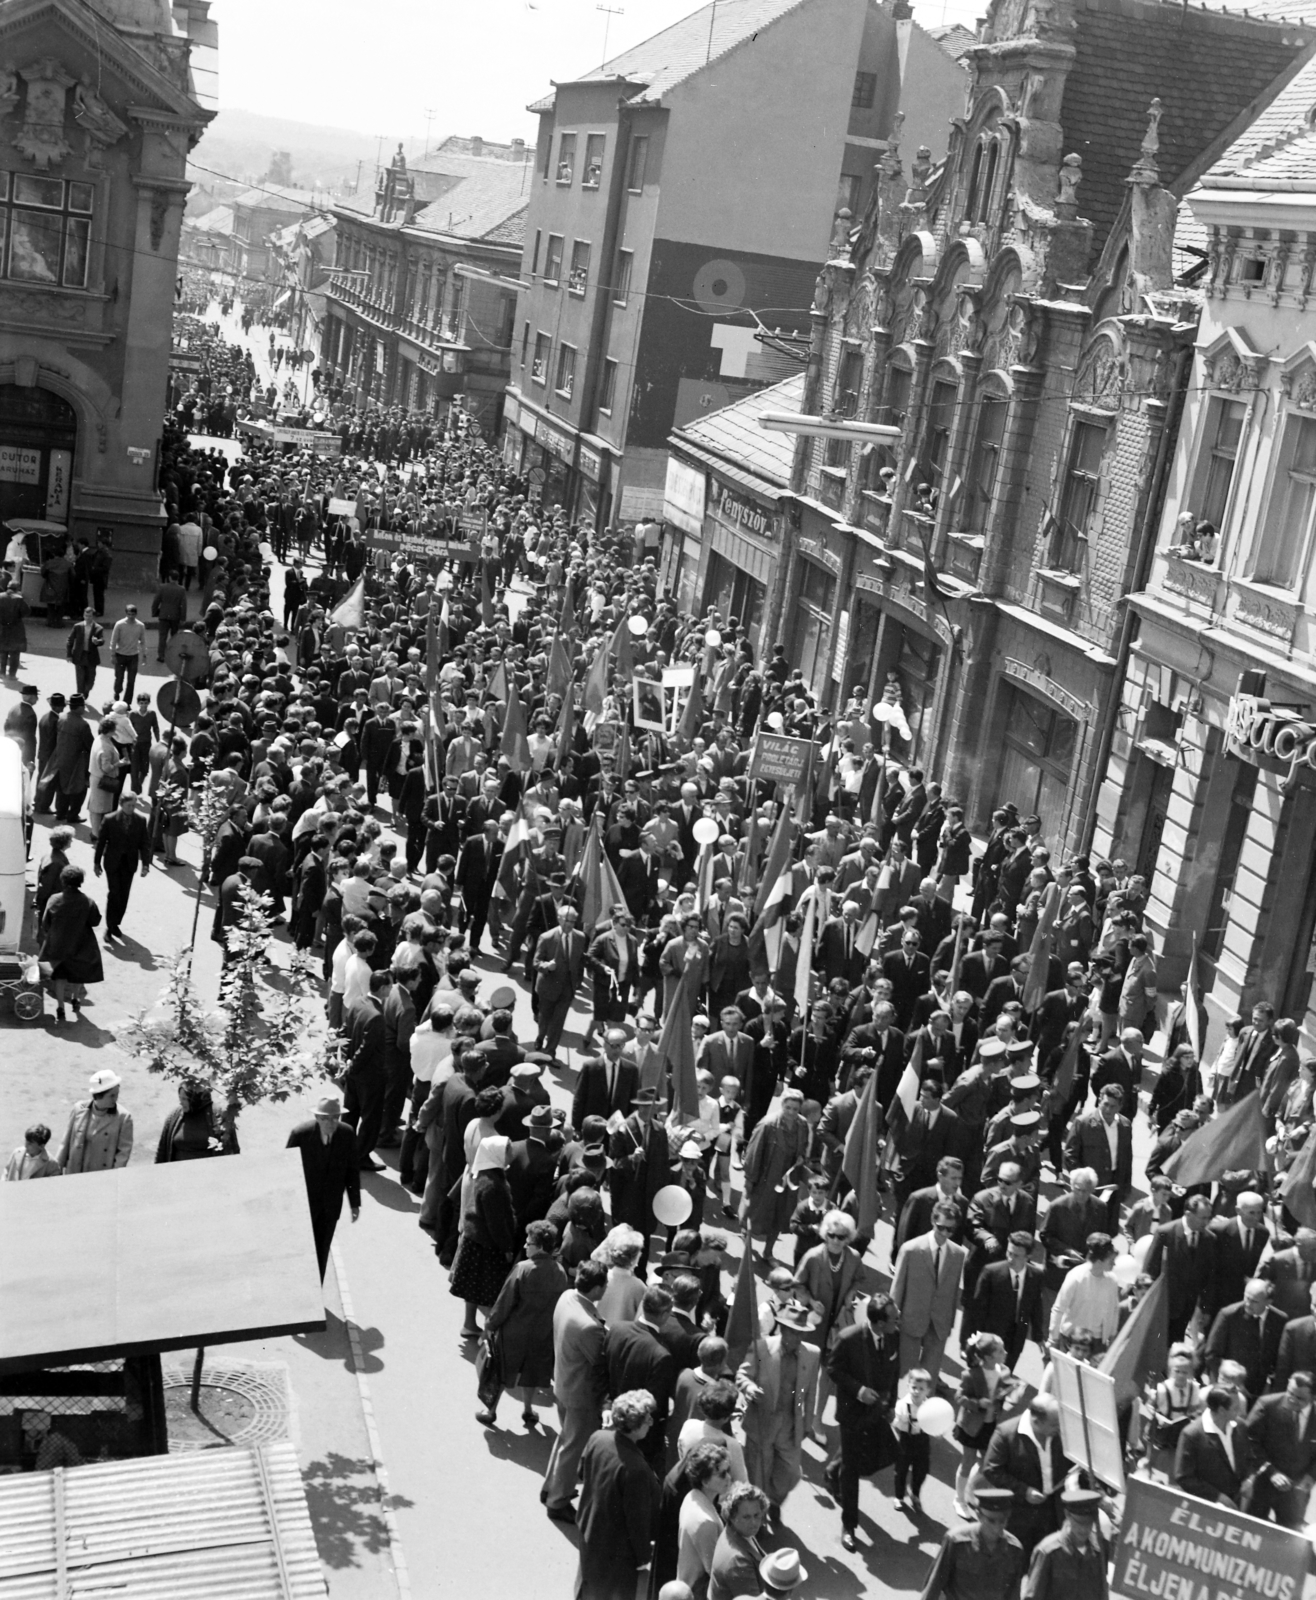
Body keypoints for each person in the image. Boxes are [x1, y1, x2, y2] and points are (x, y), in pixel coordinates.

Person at [824, 1291, 901, 1552]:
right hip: (852, 1411)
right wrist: (858, 1391)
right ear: (879, 1322)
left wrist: (890, 1405)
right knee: (853, 1469)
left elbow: (895, 1371)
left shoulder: (893, 1336)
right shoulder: (849, 1339)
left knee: (885, 1454)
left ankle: (833, 1470)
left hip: (878, 1409)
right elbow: (833, 1369)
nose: (897, 1322)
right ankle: (849, 1525)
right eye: (893, 1319)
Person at [477, 1217, 569, 1429]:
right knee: (532, 1374)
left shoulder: (522, 1269)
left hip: (514, 1332)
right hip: (542, 1333)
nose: (525, 1246)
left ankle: (490, 1411)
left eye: (529, 1243)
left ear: (539, 1247)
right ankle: (528, 1410)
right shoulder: (560, 1273)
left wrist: (489, 1327)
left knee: (501, 1372)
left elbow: (504, 1303)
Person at [736, 1299, 820, 1518]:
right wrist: (750, 1387)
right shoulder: (761, 1347)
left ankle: (772, 1500)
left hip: (790, 1426)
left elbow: (811, 1392)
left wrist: (808, 1424)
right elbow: (742, 1375)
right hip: (762, 1423)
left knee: (791, 1473)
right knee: (758, 1475)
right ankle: (759, 1516)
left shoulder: (812, 1354)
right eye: (794, 1332)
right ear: (783, 1329)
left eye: (802, 1332)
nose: (799, 1338)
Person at [575, 1388, 661, 1600]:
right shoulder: (636, 1469)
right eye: (647, 1418)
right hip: (615, 1547)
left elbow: (581, 1472)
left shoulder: (598, 1437)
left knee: (587, 1584)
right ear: (634, 1426)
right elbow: (637, 1519)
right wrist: (643, 1557)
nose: (651, 1422)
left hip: (589, 1527)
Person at [542, 1256, 609, 1523]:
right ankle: (558, 1502)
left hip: (563, 1383)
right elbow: (601, 1360)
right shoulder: (590, 1328)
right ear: (596, 1288)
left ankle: (552, 1487)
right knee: (573, 1447)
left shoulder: (568, 1296)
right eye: (604, 1286)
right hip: (581, 1396)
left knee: (565, 1441)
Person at [449, 1132, 517, 1341]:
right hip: (487, 1245)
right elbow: (496, 1223)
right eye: (507, 1150)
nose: (511, 1153)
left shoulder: (484, 1174)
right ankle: (489, 1335)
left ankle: (469, 1324)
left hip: (475, 1241)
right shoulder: (493, 1185)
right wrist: (506, 1248)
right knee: (490, 1292)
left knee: (473, 1289)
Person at [286, 1095, 361, 1278]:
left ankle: (317, 1287)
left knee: (322, 1250)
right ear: (317, 1118)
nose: (331, 1122)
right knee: (301, 1249)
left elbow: (352, 1170)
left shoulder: (347, 1133)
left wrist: (354, 1203)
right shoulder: (300, 1134)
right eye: (325, 1118)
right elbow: (287, 1170)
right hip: (305, 1206)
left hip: (330, 1207)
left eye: (335, 1117)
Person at [919, 1485, 1026, 1600]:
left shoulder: (1014, 1549)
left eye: (1002, 1521)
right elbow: (935, 1583)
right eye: (991, 1521)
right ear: (979, 1515)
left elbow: (1013, 1592)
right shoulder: (957, 1541)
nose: (997, 1527)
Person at [741, 1089, 810, 1261]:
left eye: (795, 1109)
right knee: (756, 1212)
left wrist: (802, 1157)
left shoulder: (802, 1125)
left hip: (789, 1179)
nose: (791, 1112)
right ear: (782, 1105)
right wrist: (750, 1179)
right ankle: (747, 1242)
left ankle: (768, 1252)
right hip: (767, 1176)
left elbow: (804, 1145)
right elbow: (753, 1152)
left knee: (781, 1213)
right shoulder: (768, 1124)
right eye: (788, 1107)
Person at [37, 862, 103, 1024]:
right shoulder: (87, 901)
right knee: (77, 975)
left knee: (59, 977)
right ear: (80, 881)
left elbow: (46, 923)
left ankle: (60, 1007)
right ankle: (75, 999)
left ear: (63, 880)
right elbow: (95, 922)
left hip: (58, 946)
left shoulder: (54, 899)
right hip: (81, 945)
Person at [676, 1440, 734, 1599]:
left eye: (727, 1471)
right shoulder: (705, 1522)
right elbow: (715, 1570)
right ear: (705, 1481)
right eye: (722, 1474)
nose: (728, 1477)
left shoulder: (692, 1496)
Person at [93, 790, 152, 939]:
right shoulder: (110, 819)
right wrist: (96, 862)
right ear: (121, 805)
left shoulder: (140, 820)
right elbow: (101, 842)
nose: (132, 808)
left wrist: (145, 864)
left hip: (129, 864)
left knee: (124, 895)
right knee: (114, 894)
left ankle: (116, 923)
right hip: (112, 862)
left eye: (134, 805)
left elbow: (144, 843)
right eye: (129, 805)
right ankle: (110, 926)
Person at [57, 1068, 132, 1172]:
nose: (115, 1099)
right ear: (99, 1095)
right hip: (76, 1171)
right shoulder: (79, 1109)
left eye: (117, 1094)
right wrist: (57, 1167)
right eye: (112, 1095)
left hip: (102, 1176)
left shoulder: (123, 1118)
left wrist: (115, 1176)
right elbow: (66, 1141)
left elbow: (123, 1153)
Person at [707, 1480, 771, 1600]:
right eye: (746, 1517)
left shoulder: (736, 1531)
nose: (754, 1523)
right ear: (732, 1516)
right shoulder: (739, 1562)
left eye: (757, 1515)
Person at [155, 1081, 227, 1161]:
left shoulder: (217, 1115)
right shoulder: (174, 1116)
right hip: (179, 1171)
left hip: (209, 1170)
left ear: (195, 1099)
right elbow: (161, 1152)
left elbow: (231, 1149)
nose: (181, 1102)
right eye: (180, 1098)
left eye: (184, 1099)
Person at [110, 603, 148, 701]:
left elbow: (143, 641)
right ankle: (117, 692)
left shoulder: (140, 626)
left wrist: (144, 655)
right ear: (126, 614)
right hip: (120, 655)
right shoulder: (119, 624)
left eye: (133, 614)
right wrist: (112, 654)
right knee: (119, 678)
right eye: (129, 614)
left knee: (131, 680)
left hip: (133, 656)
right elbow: (113, 640)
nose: (131, 616)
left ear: (136, 614)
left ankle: (127, 701)